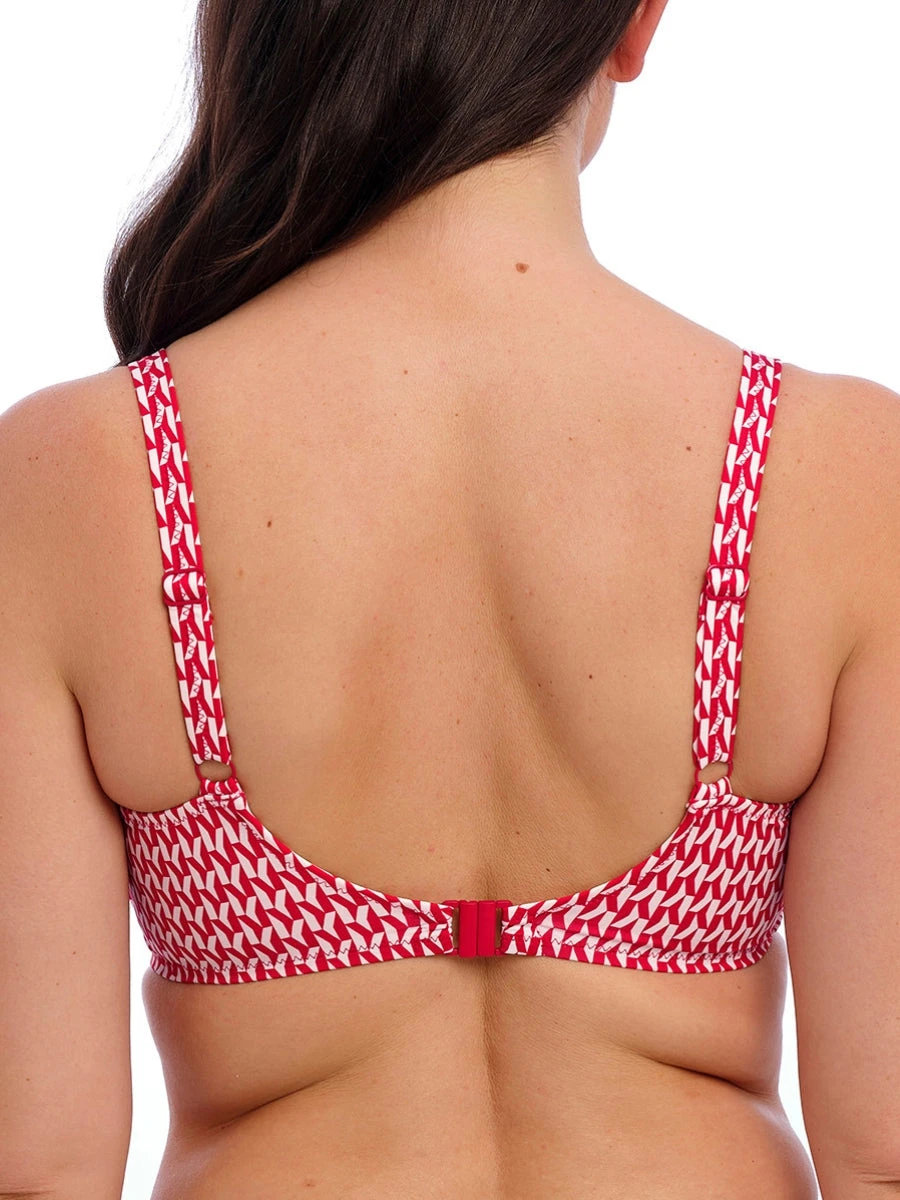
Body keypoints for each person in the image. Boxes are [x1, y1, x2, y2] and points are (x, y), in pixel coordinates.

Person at [1, 0, 898, 1196]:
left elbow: (39, 1166)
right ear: (635, 25)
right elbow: (885, 1151)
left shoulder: (83, 478)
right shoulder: (830, 471)